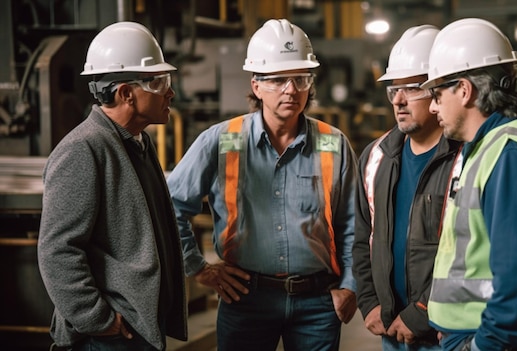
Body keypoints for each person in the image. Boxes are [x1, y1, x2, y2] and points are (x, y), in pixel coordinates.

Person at [166, 18, 358, 351]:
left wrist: (350, 286)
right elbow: (171, 206)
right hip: (245, 300)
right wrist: (198, 269)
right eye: (279, 80)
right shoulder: (221, 141)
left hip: (317, 303)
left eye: (301, 79)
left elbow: (354, 222)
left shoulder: (333, 143)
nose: (292, 90)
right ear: (256, 85)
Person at [421, 18, 517, 351]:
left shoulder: (509, 154)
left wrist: (484, 343)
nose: (432, 105)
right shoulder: (487, 147)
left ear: (464, 90)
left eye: (436, 94)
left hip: (509, 342)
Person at [37, 22, 187, 351]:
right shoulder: (83, 149)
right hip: (107, 336)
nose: (170, 92)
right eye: (159, 82)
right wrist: (97, 319)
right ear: (125, 94)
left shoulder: (137, 144)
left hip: (138, 326)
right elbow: (57, 250)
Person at [353, 25, 462, 351]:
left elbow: (467, 252)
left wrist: (421, 313)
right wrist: (369, 301)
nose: (398, 100)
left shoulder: (464, 158)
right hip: (391, 330)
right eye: (393, 89)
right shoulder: (376, 157)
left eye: (412, 88)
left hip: (446, 331)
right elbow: (361, 237)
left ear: (438, 91)